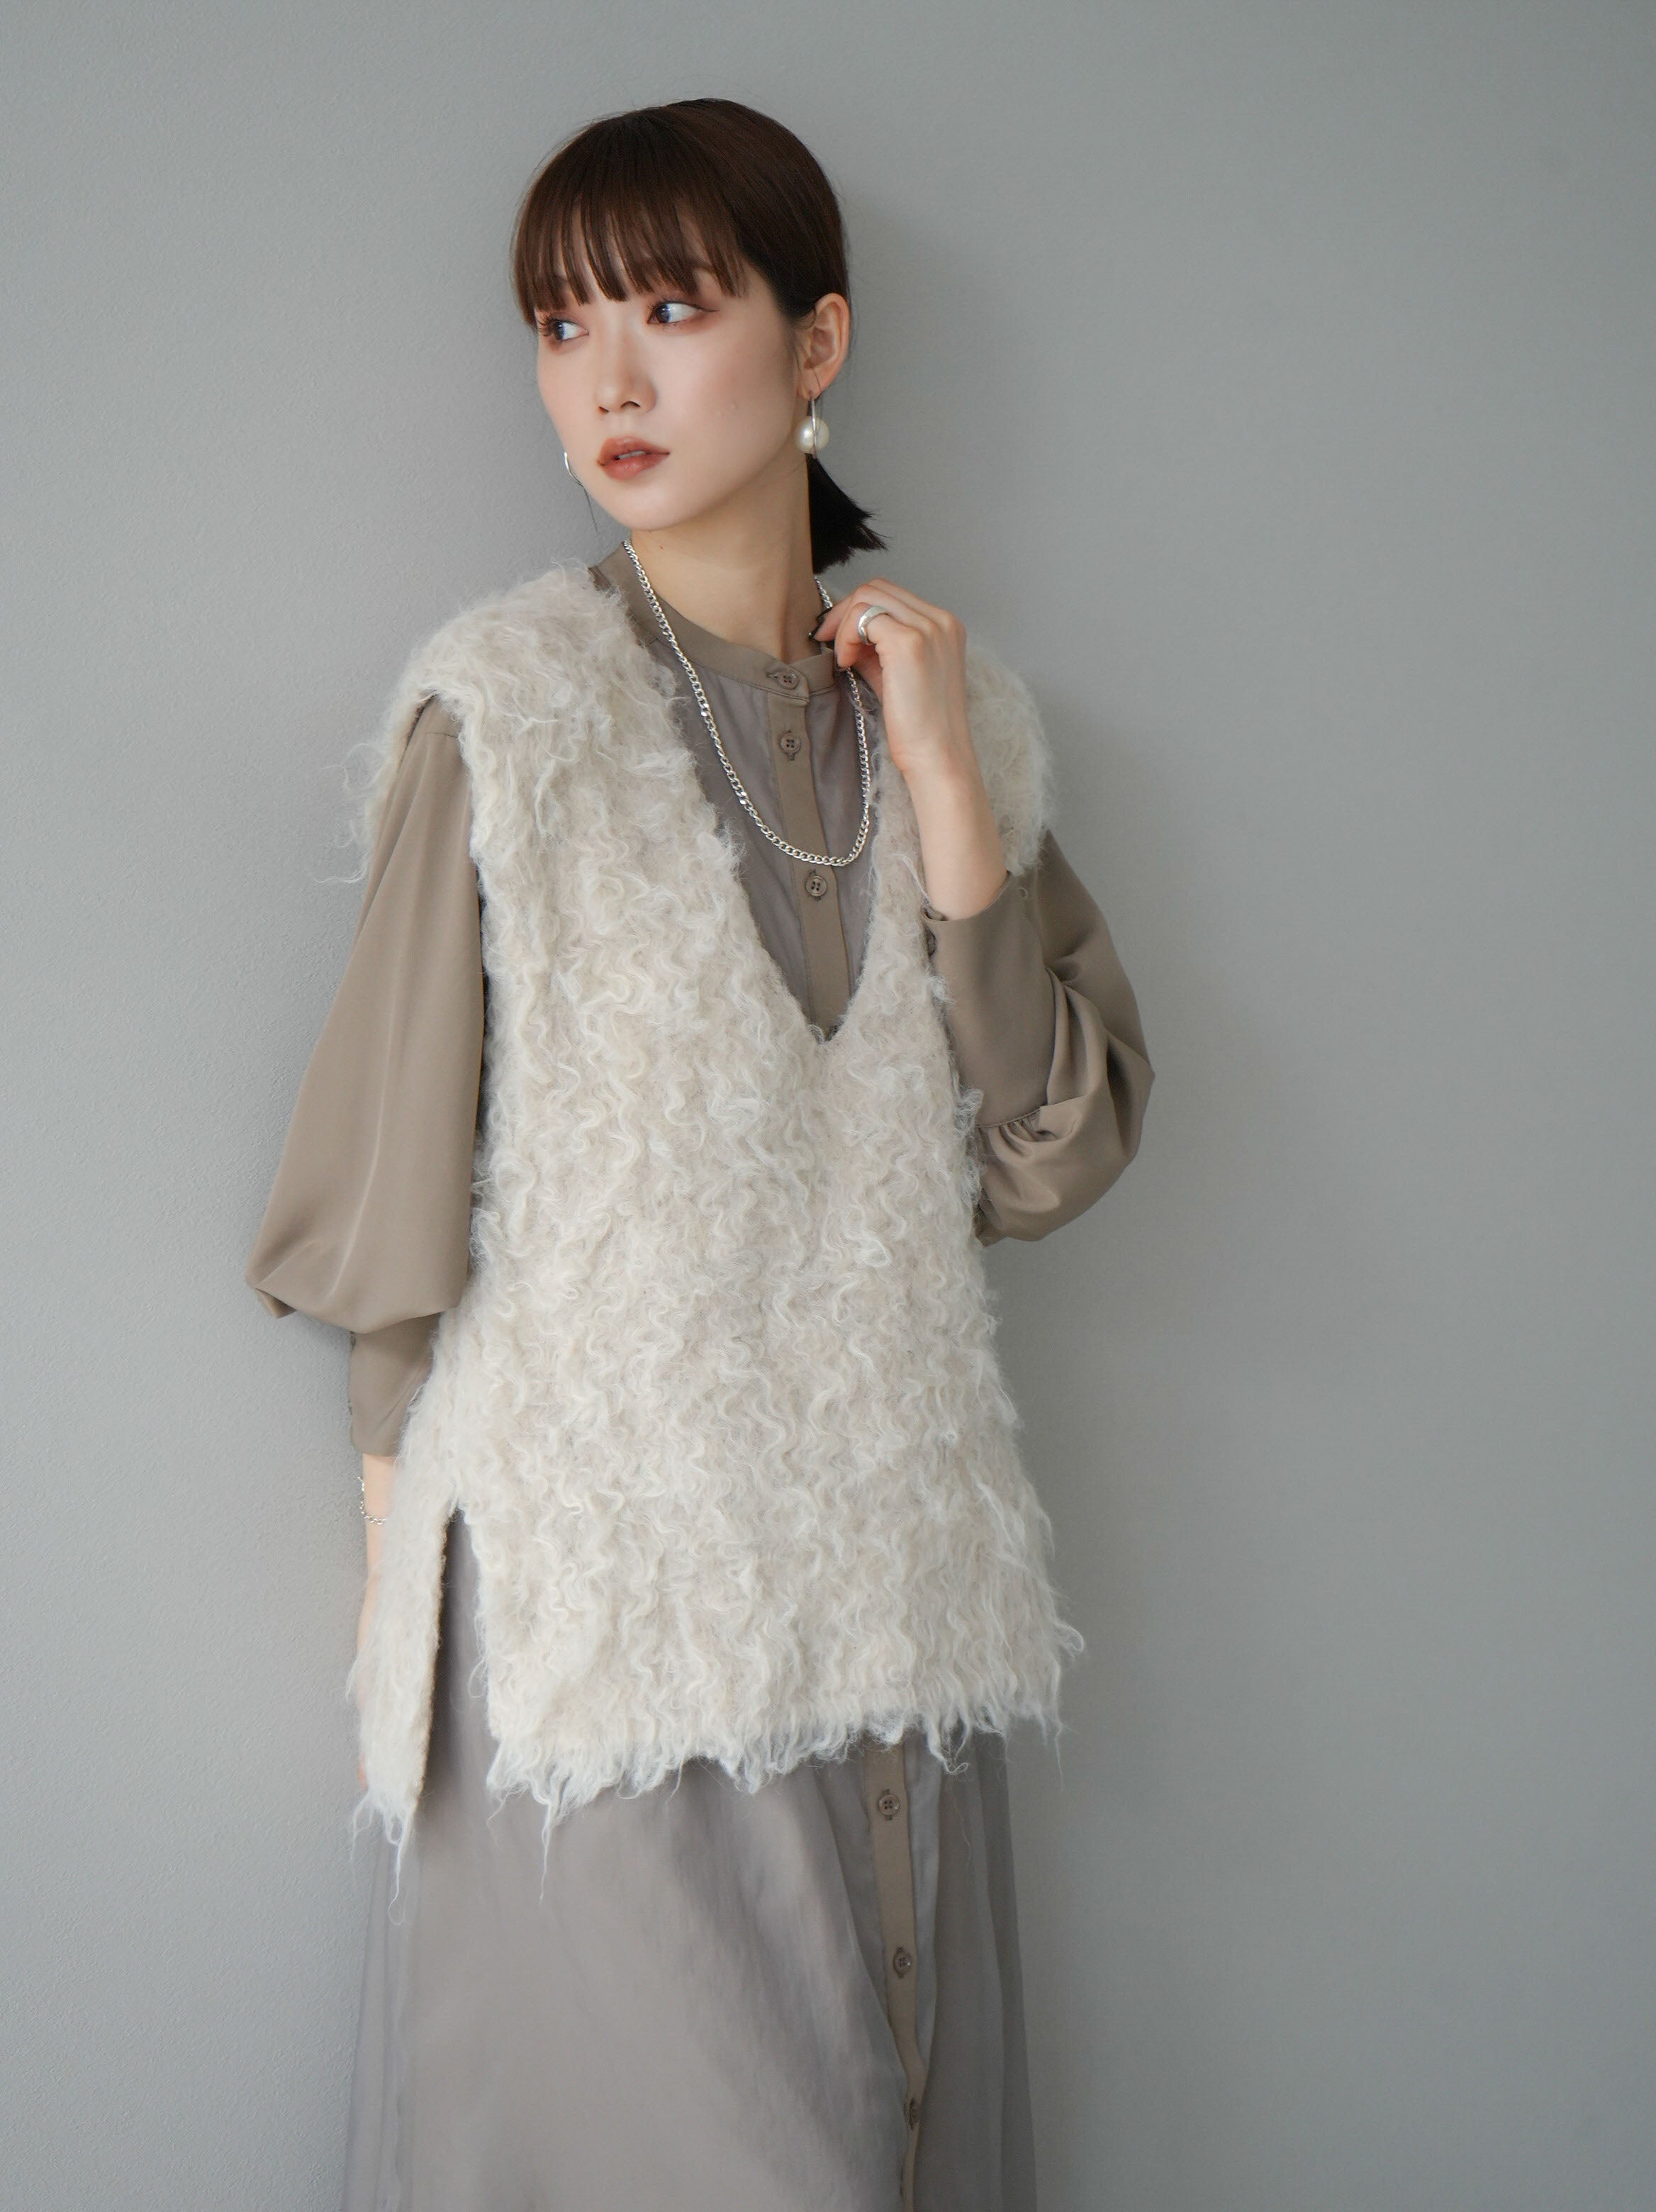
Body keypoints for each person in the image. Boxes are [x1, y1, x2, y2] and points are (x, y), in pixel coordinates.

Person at [246, 96, 1153, 2212]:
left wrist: (949, 791)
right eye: (565, 327)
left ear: (815, 343)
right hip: (605, 1639)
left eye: (671, 308)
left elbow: (1042, 1152)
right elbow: (390, 1223)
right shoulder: (510, 714)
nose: (612, 382)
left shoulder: (962, 721)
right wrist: (403, 1630)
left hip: (897, 1615)